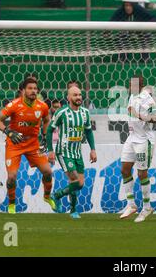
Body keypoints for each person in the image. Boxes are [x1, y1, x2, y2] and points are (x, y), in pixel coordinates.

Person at [0, 77, 56, 214]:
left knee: (48, 172)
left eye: (35, 89)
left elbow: (47, 120)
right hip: (15, 144)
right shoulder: (14, 105)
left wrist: (44, 136)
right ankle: (11, 204)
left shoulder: (42, 106)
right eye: (30, 88)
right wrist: (8, 131)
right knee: (12, 176)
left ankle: (47, 197)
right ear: (23, 91)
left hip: (33, 144)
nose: (33, 91)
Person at [47, 86, 97, 219]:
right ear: (68, 98)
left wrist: (92, 149)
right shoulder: (61, 112)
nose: (78, 97)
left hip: (77, 152)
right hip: (64, 152)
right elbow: (49, 130)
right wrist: (50, 150)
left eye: (80, 95)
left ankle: (72, 209)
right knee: (75, 179)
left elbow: (88, 131)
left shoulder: (85, 112)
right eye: (75, 95)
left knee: (79, 184)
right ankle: (57, 197)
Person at [119, 76, 156, 223]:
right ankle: (131, 204)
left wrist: (140, 115)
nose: (130, 87)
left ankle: (147, 207)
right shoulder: (132, 96)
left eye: (133, 85)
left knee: (142, 173)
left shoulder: (147, 99)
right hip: (132, 137)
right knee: (124, 169)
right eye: (129, 84)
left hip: (144, 140)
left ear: (140, 85)